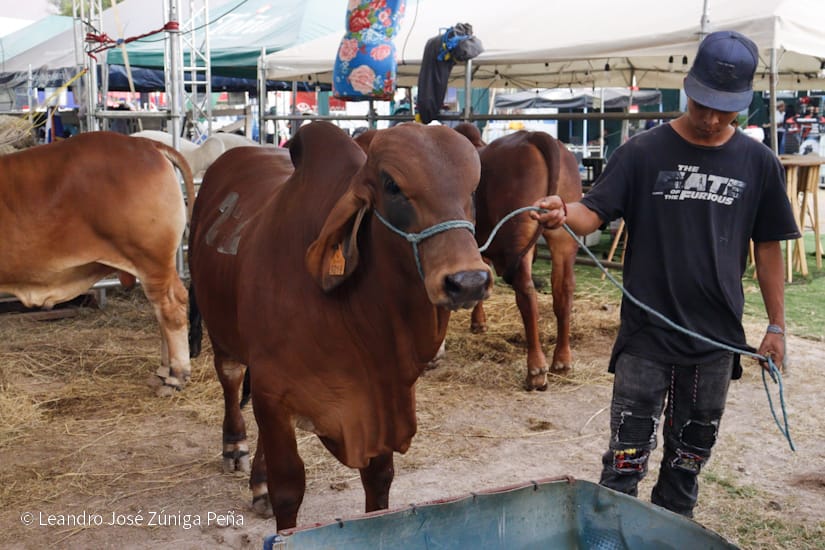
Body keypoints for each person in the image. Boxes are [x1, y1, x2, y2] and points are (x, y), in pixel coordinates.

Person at [531, 30, 800, 518]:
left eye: (725, 110)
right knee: (624, 463)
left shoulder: (759, 163)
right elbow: (594, 211)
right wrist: (564, 211)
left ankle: (671, 535)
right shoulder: (642, 152)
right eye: (703, 105)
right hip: (646, 339)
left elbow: (767, 248)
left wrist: (777, 325)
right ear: (688, 86)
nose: (711, 118)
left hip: (716, 341)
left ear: (744, 102)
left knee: (686, 466)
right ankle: (610, 538)